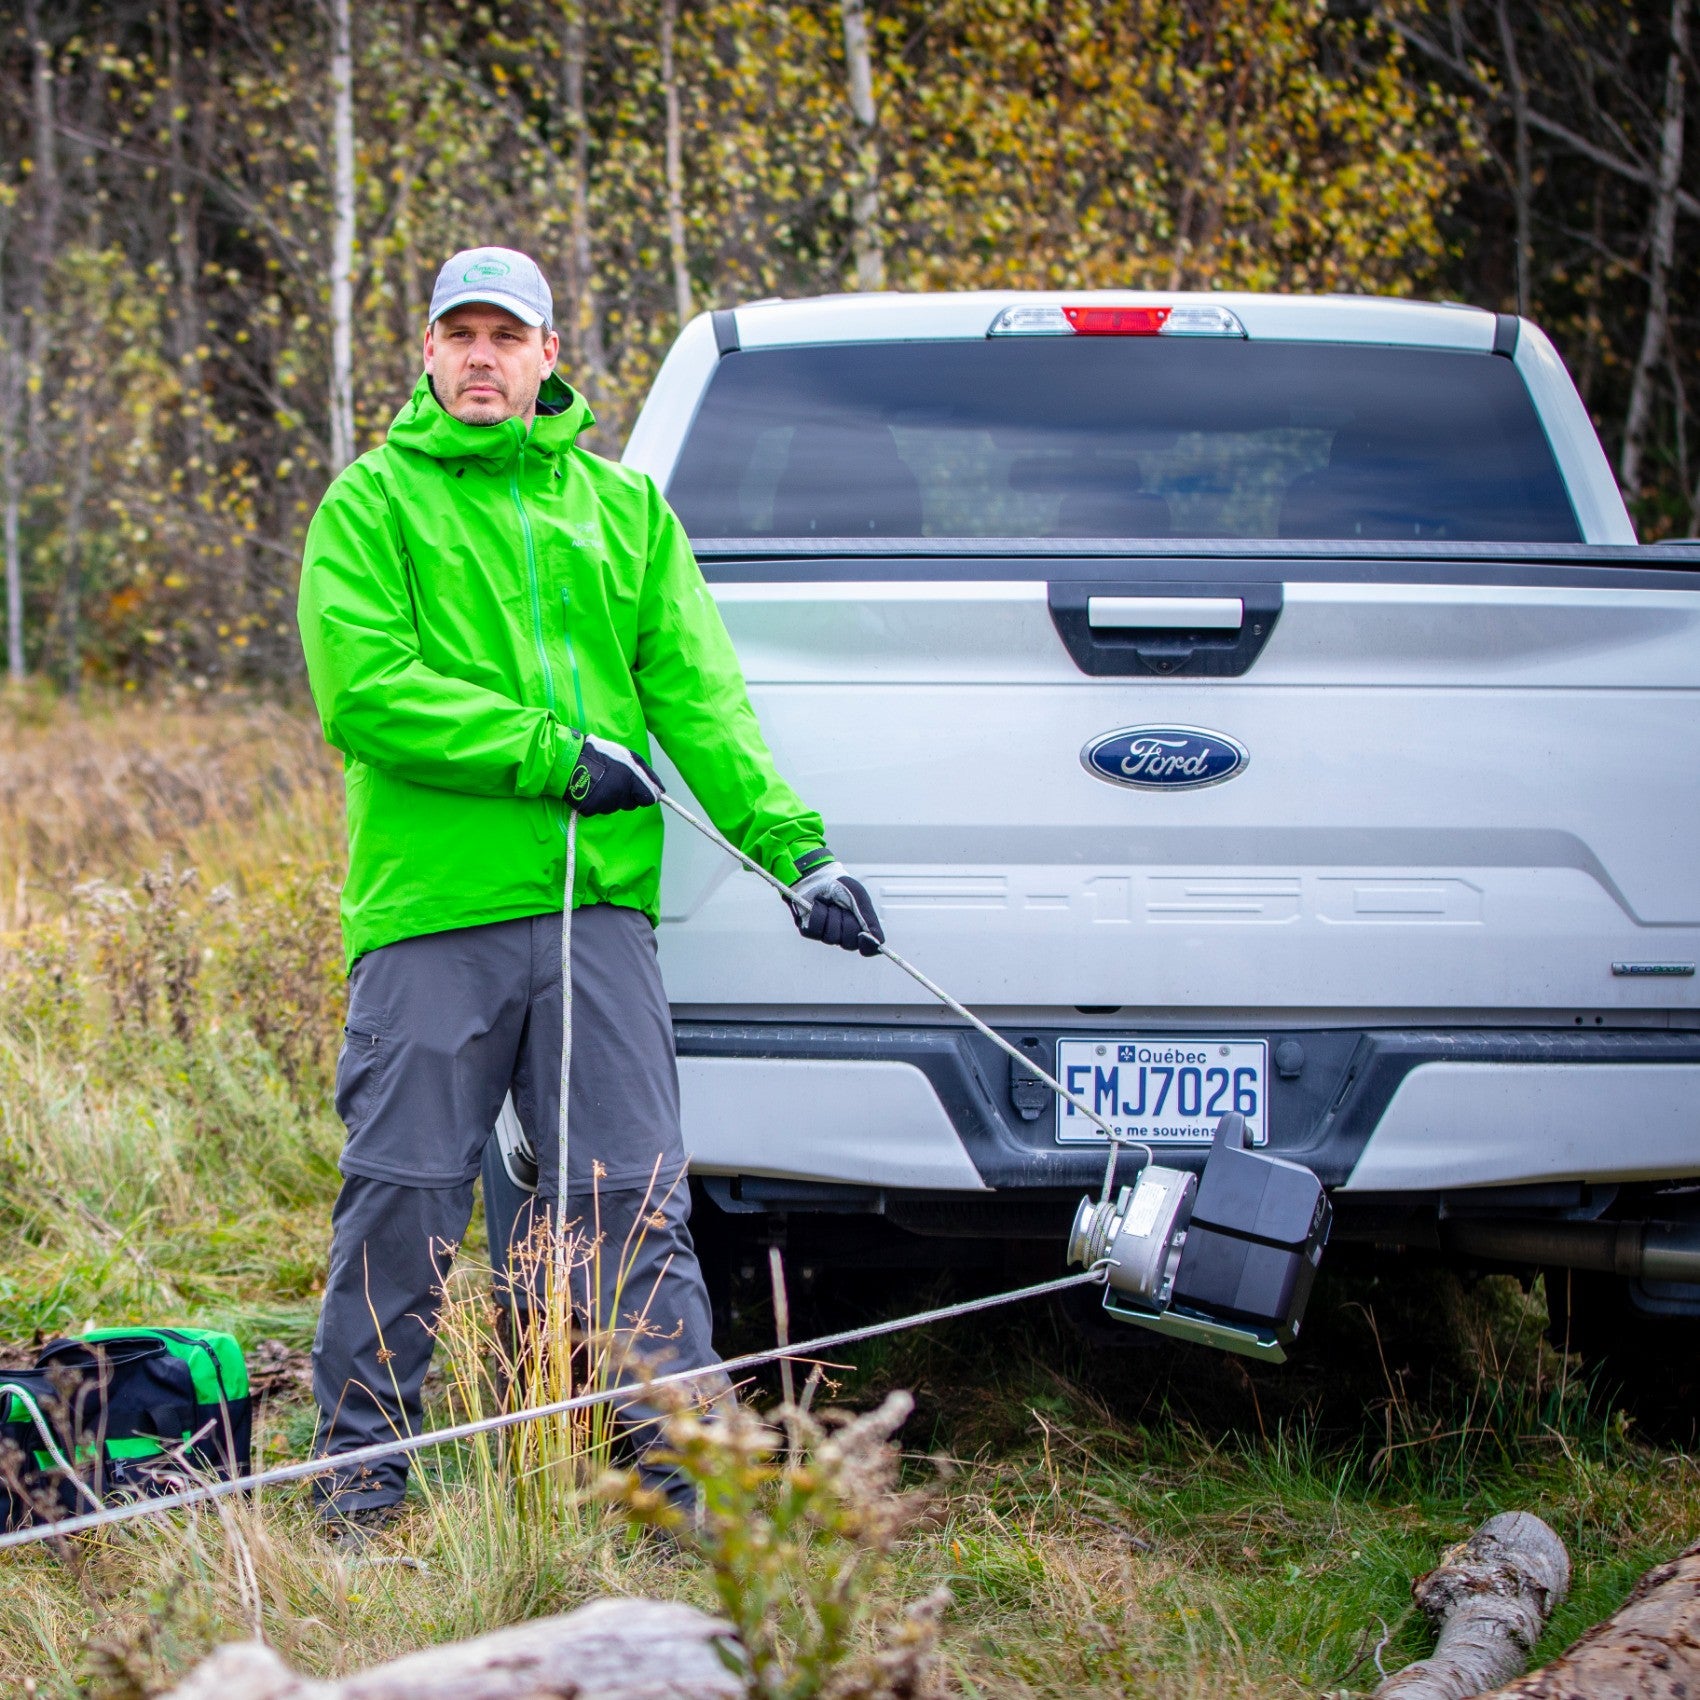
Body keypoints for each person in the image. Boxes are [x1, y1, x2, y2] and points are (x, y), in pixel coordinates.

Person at [296, 245, 883, 1533]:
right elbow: (367, 694)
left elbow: (701, 699)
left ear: (550, 355)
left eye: (509, 337)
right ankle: (355, 1492)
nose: (482, 359)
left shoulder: (625, 513)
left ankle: (686, 1495)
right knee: (401, 1197)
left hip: (595, 919)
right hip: (431, 915)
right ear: (429, 351)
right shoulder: (372, 506)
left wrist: (798, 854)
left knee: (630, 1202)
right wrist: (553, 755)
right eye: (461, 336)